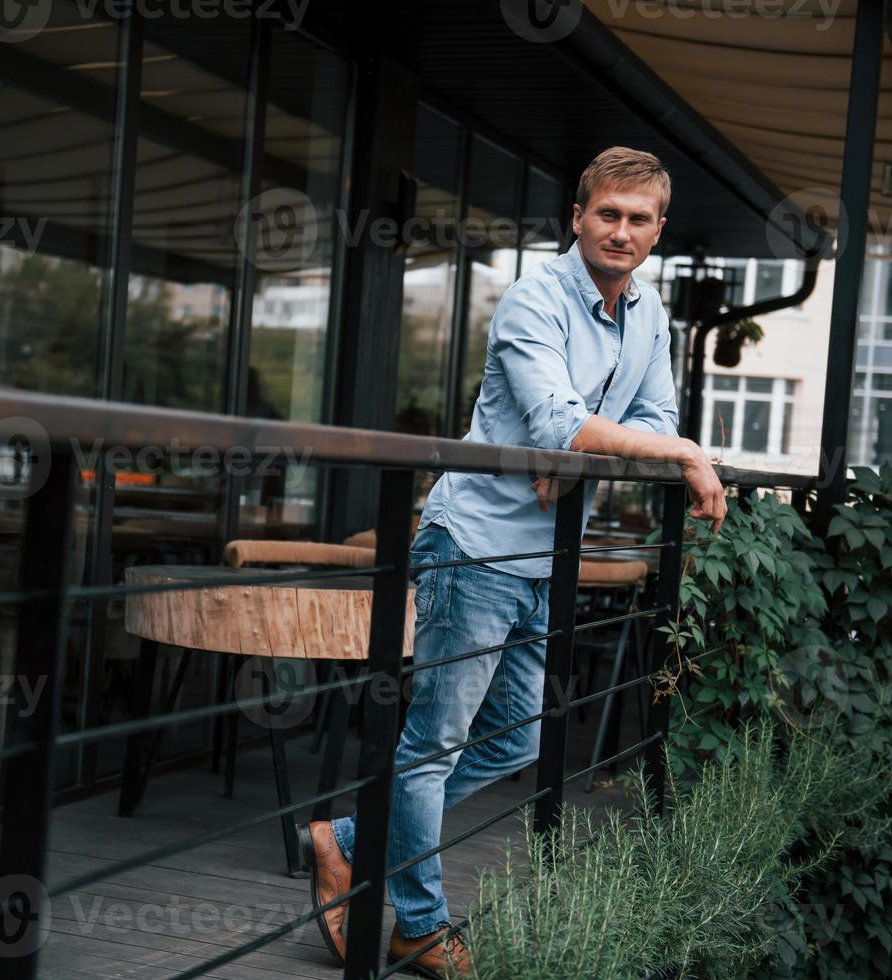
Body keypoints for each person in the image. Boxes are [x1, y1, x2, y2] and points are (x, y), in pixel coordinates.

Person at [297, 147, 726, 978]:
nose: (622, 231)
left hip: (544, 558)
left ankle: (345, 840)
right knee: (436, 746)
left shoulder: (647, 312)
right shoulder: (536, 298)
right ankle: (420, 925)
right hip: (476, 546)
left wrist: (596, 446)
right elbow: (566, 421)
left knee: (516, 740)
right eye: (608, 214)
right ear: (578, 217)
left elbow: (644, 417)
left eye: (640, 220)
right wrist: (614, 443)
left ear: (658, 231)